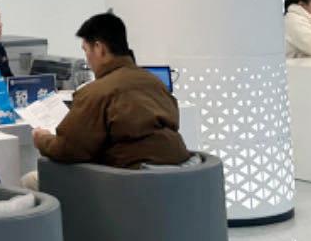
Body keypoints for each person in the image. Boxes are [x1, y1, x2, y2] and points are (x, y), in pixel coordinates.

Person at [27, 11, 189, 173]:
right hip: (178, 175)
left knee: (30, 180)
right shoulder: (156, 83)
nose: (87, 59)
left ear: (99, 49)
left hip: (131, 180)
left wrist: (42, 139)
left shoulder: (96, 93)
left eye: (86, 50)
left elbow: (68, 149)